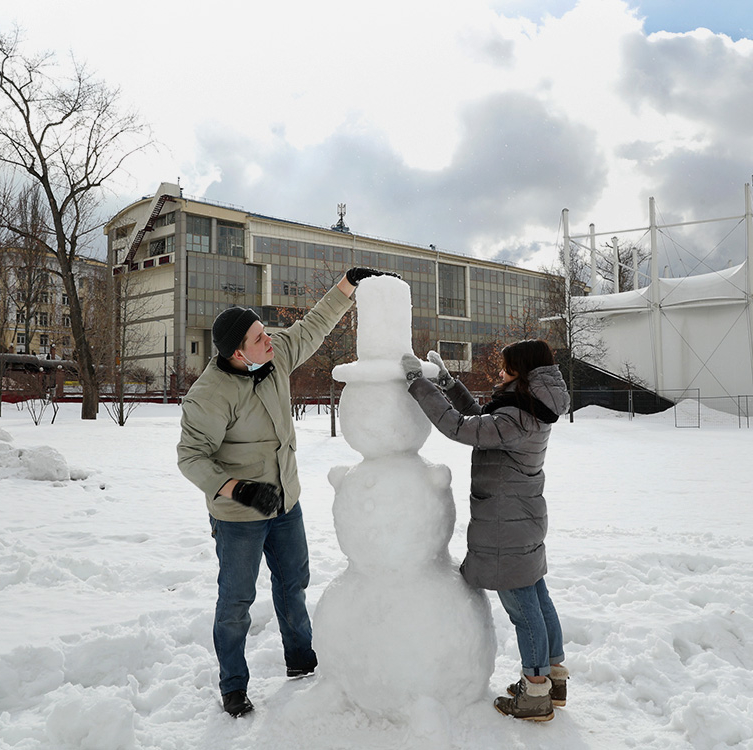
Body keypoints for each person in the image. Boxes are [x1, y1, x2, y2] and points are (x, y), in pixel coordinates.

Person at [178, 266, 395, 718]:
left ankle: (301, 661)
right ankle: (233, 685)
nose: (269, 340)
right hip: (239, 516)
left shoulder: (273, 360)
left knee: (293, 585)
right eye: (259, 338)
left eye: (265, 332)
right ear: (237, 353)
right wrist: (238, 490)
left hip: (285, 504)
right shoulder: (209, 395)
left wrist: (346, 286)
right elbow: (191, 457)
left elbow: (312, 326)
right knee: (236, 601)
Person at [401, 340, 570, 722]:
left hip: (506, 523)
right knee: (537, 596)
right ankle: (551, 678)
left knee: (522, 608)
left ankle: (535, 691)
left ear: (521, 373)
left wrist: (417, 384)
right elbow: (481, 419)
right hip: (518, 516)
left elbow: (462, 428)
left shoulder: (519, 417)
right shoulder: (529, 407)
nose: (499, 374)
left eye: (506, 369)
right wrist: (448, 384)